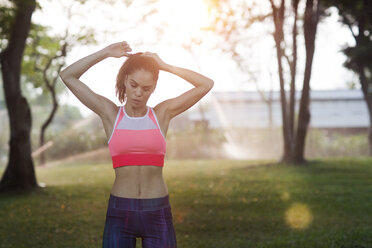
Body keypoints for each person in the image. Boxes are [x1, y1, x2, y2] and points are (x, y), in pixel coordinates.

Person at [59, 41, 214, 248]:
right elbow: (67, 75)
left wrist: (164, 65)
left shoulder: (161, 114)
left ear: (153, 89)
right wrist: (105, 53)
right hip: (120, 212)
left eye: (146, 88)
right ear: (125, 81)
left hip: (157, 211)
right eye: (134, 85)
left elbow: (206, 84)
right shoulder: (111, 114)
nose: (139, 93)